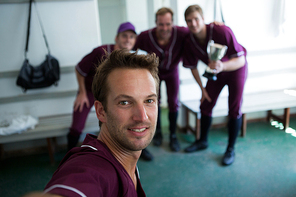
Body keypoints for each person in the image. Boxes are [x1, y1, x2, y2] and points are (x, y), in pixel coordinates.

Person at [43, 49, 159, 197]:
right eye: (125, 102)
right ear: (101, 111)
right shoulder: (92, 168)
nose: (142, 117)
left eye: (149, 100)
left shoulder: (127, 163)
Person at [182, 5, 248, 166]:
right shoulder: (189, 41)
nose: (193, 23)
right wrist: (202, 89)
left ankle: (230, 149)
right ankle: (202, 141)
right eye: (189, 21)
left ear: (203, 19)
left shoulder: (221, 31)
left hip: (235, 69)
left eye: (196, 19)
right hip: (216, 73)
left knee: (234, 109)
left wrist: (222, 66)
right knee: (205, 103)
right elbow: (192, 67)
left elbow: (241, 60)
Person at [67, 22, 139, 151]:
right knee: (76, 127)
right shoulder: (101, 51)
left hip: (111, 94)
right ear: (116, 38)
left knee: (124, 120)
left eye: (131, 37)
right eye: (124, 36)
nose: (128, 39)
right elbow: (79, 69)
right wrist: (82, 93)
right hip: (89, 91)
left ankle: (132, 149)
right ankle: (69, 155)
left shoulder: (130, 58)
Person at [134, 7, 189, 157]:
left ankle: (172, 135)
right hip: (153, 74)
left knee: (173, 102)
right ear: (155, 23)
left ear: (172, 22)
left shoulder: (181, 32)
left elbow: (197, 30)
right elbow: (132, 50)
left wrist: (216, 25)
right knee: (154, 102)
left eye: (167, 24)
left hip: (172, 72)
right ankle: (157, 132)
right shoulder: (145, 36)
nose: (164, 28)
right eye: (161, 24)